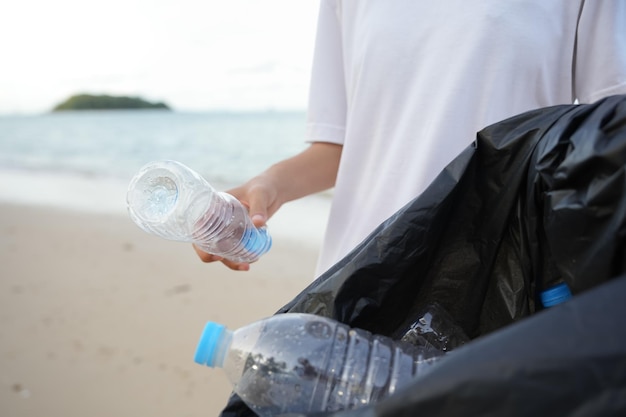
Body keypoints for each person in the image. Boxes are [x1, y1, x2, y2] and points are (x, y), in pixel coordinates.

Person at [195, 0, 626, 277]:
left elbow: (609, 143)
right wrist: (267, 187)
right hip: (350, 288)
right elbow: (336, 148)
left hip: (495, 293)